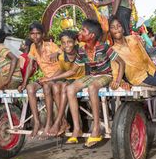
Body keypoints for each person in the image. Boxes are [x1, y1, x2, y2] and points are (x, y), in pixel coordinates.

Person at [44, 19, 125, 147]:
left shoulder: (104, 47)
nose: (80, 33)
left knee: (93, 87)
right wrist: (50, 79)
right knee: (70, 89)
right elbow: (72, 71)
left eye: (83, 30)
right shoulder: (82, 50)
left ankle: (97, 127)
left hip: (105, 75)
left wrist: (117, 80)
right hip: (90, 76)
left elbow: (121, 63)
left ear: (91, 36)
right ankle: (77, 128)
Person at [109, 18, 156, 141]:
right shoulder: (113, 50)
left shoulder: (133, 39)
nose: (116, 28)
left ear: (123, 28)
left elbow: (145, 54)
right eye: (113, 27)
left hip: (150, 70)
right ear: (110, 32)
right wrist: (121, 82)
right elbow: (116, 71)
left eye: (118, 26)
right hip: (139, 77)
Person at [18, 22, 61, 138]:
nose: (35, 36)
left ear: (43, 34)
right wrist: (24, 82)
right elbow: (30, 66)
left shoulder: (51, 45)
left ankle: (49, 122)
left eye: (38, 34)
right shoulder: (32, 47)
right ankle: (37, 122)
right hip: (46, 77)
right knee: (30, 88)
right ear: (29, 35)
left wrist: (57, 53)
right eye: (32, 34)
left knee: (46, 86)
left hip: (56, 76)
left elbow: (63, 53)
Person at [39, 30, 85, 137]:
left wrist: (52, 78)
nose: (66, 45)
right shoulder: (61, 56)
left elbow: (72, 71)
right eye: (63, 43)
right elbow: (62, 70)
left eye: (69, 42)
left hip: (83, 79)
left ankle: (58, 121)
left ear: (75, 42)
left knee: (63, 85)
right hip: (71, 79)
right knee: (55, 86)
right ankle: (63, 122)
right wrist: (49, 79)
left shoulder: (81, 50)